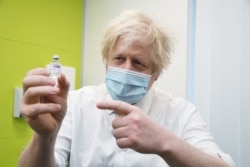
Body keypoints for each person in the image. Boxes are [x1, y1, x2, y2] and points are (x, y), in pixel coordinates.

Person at [18, 10, 235, 167]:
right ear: (106, 63)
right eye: (119, 58)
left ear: (156, 74)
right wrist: (44, 137)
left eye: (138, 63)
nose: (126, 69)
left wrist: (165, 143)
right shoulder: (74, 105)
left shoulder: (181, 113)